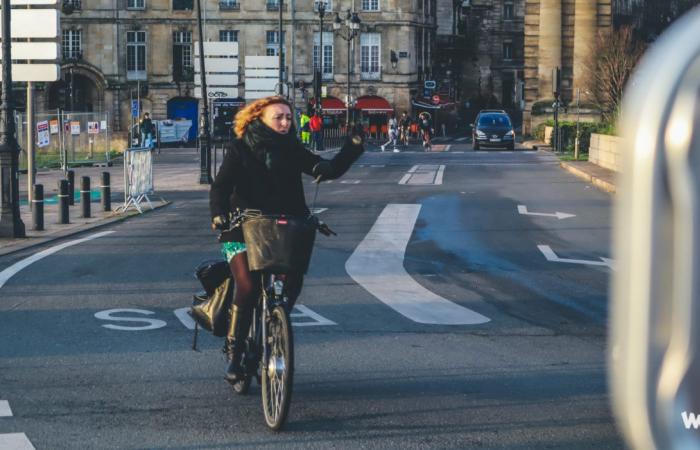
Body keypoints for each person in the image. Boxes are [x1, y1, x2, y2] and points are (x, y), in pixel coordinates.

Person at [209, 96, 364, 383]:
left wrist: (352, 148)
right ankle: (235, 352)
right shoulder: (241, 147)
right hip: (242, 224)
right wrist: (218, 215)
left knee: (293, 279)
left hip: (283, 225)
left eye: (288, 117)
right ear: (260, 118)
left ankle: (274, 323)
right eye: (278, 117)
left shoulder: (293, 149)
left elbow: (325, 169)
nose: (284, 122)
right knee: (248, 283)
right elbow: (220, 187)